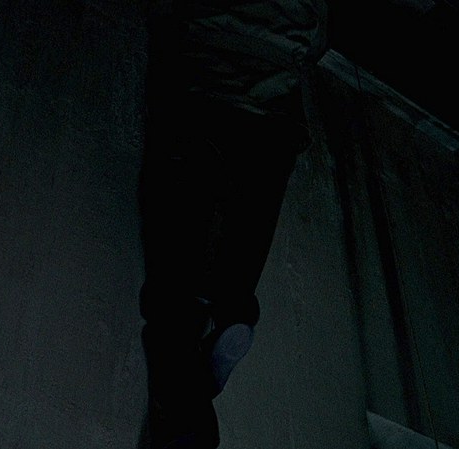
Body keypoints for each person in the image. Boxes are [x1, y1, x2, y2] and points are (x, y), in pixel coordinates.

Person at [139, 0, 328, 447]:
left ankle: (227, 319)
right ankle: (211, 344)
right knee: (175, 292)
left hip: (233, 96)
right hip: (235, 101)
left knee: (205, 270)